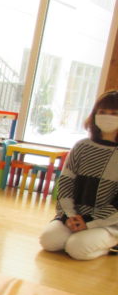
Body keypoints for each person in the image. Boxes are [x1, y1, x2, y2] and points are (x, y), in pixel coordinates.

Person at [39, 90, 118, 260]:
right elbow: (66, 183)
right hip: (74, 216)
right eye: (102, 112)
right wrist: (69, 215)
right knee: (49, 241)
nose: (107, 117)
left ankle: (111, 244)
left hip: (108, 222)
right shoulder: (82, 146)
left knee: (76, 249)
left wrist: (90, 221)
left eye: (114, 114)